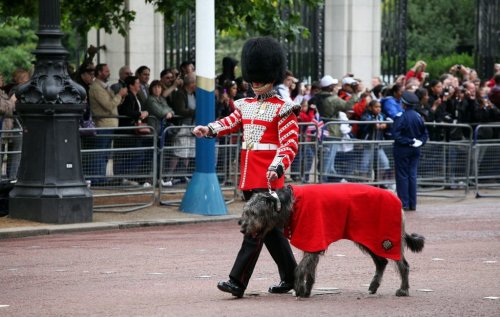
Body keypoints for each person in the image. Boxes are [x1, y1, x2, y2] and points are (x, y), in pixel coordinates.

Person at [192, 36, 299, 298]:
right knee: (271, 233)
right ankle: (294, 277)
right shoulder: (246, 105)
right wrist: (209, 129)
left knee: (253, 230)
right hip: (249, 178)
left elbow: (289, 144)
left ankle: (237, 281)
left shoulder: (283, 109)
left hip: (269, 181)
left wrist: (278, 167)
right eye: (253, 77)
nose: (255, 82)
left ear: (271, 77)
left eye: (259, 78)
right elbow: (230, 122)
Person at [89, 63, 128, 185]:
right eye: (106, 71)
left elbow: (114, 104)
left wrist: (121, 97)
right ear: (99, 73)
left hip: (109, 125)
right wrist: (119, 95)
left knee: (105, 154)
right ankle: (97, 179)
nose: (109, 73)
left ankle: (102, 178)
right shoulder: (96, 88)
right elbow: (108, 105)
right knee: (100, 153)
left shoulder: (105, 87)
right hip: (102, 125)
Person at [392, 91, 429, 211]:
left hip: (403, 149)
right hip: (415, 149)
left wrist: (409, 141)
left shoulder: (400, 116)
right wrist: (420, 142)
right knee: (412, 175)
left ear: (404, 104)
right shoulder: (419, 116)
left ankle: (404, 203)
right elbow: (425, 134)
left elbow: (396, 135)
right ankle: (413, 203)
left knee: (402, 175)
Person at [114, 75, 151, 187]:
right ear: (131, 86)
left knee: (136, 154)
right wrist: (140, 114)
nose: (139, 85)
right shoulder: (129, 97)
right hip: (128, 131)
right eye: (137, 83)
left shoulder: (135, 96)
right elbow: (126, 111)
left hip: (133, 130)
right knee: (136, 154)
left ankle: (124, 176)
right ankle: (121, 175)